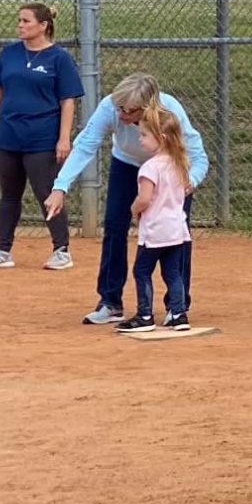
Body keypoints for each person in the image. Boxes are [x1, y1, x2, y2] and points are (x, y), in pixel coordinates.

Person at [42, 73, 208, 325]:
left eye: (128, 111)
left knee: (176, 235)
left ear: (148, 109)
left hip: (169, 169)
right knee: (114, 227)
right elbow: (86, 144)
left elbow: (198, 155)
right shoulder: (110, 107)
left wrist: (189, 182)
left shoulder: (171, 111)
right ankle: (110, 302)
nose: (120, 114)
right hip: (127, 164)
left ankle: (177, 307)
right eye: (118, 107)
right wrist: (60, 187)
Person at [0, 2, 83, 271]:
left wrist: (63, 138)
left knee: (46, 192)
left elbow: (68, 101)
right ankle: (2, 250)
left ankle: (61, 250)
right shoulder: (9, 55)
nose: (20, 25)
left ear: (43, 25)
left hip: (41, 139)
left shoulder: (59, 58)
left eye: (26, 21)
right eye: (19, 20)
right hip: (9, 137)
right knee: (9, 195)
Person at [115, 107, 193, 334]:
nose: (140, 139)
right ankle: (178, 314)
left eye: (144, 135)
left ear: (162, 138)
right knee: (173, 272)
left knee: (141, 271)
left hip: (155, 231)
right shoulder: (180, 164)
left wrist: (133, 209)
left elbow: (145, 198)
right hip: (177, 230)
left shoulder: (150, 168)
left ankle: (145, 315)